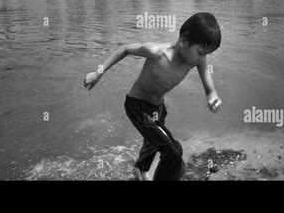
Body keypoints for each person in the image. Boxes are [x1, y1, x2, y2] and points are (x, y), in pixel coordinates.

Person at [84, 12, 222, 180]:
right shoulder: (157, 52)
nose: (202, 58)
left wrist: (211, 93)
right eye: (200, 52)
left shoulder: (195, 59)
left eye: (206, 53)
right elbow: (125, 49)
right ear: (184, 41)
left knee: (153, 143)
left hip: (158, 107)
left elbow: (206, 78)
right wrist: (98, 73)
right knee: (173, 151)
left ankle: (139, 171)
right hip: (137, 106)